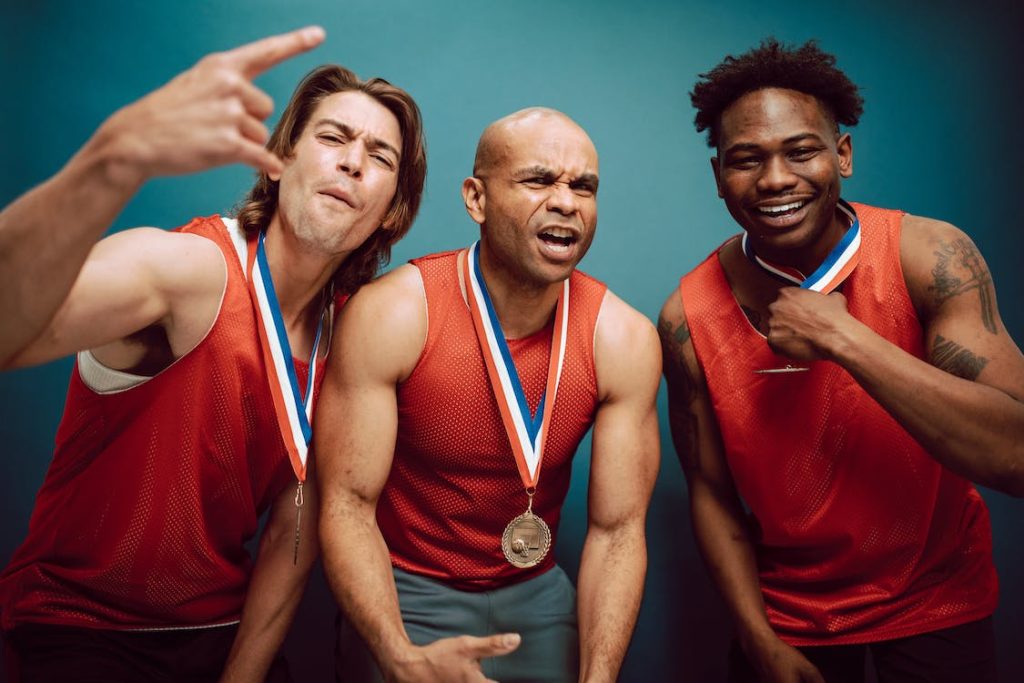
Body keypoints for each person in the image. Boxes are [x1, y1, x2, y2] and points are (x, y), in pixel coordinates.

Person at [0, 27, 427, 682]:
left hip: (217, 632)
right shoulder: (189, 271)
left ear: (391, 211)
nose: (352, 162)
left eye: (380, 156)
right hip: (78, 623)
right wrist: (113, 158)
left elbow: (296, 524)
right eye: (333, 138)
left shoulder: (351, 340)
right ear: (278, 159)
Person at [659, 38, 1024, 683]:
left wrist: (845, 340)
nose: (775, 179)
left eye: (801, 151)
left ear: (843, 155)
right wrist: (757, 639)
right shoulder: (688, 317)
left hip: (939, 603)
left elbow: (1017, 456)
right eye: (747, 160)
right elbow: (712, 496)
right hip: (788, 625)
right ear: (719, 177)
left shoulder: (931, 258)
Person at [317, 107, 661, 683]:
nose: (565, 202)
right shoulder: (395, 313)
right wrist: (398, 654)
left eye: (583, 187)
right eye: (538, 180)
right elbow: (347, 505)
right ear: (476, 199)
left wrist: (599, 679)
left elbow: (618, 531)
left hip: (536, 593)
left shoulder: (622, 338)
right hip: (405, 589)